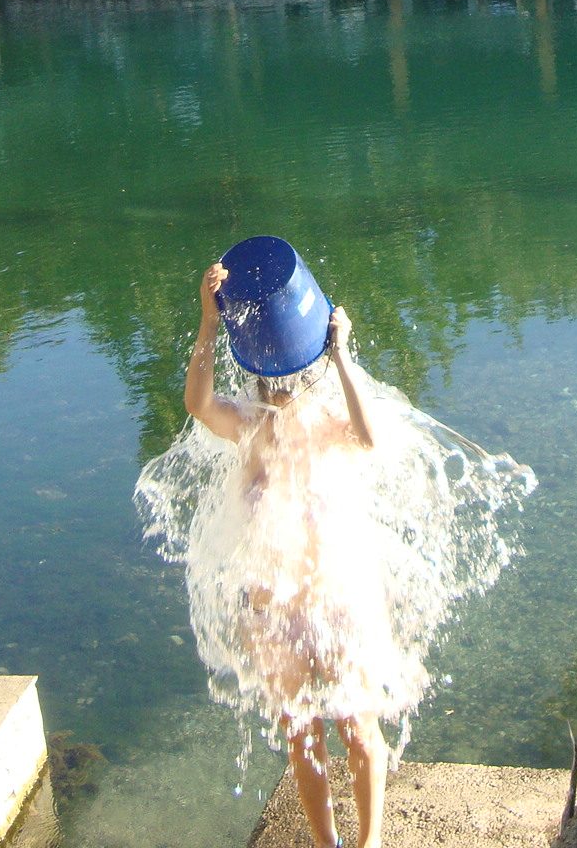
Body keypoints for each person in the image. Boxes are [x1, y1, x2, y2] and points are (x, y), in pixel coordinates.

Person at [183, 264, 388, 848]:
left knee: (358, 724)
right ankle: (328, 844)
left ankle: (370, 842)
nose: (278, 390)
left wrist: (342, 354)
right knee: (302, 735)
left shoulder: (327, 423)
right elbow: (197, 402)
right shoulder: (247, 426)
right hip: (271, 608)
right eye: (271, 381)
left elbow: (370, 438)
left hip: (338, 597)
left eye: (289, 378)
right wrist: (207, 319)